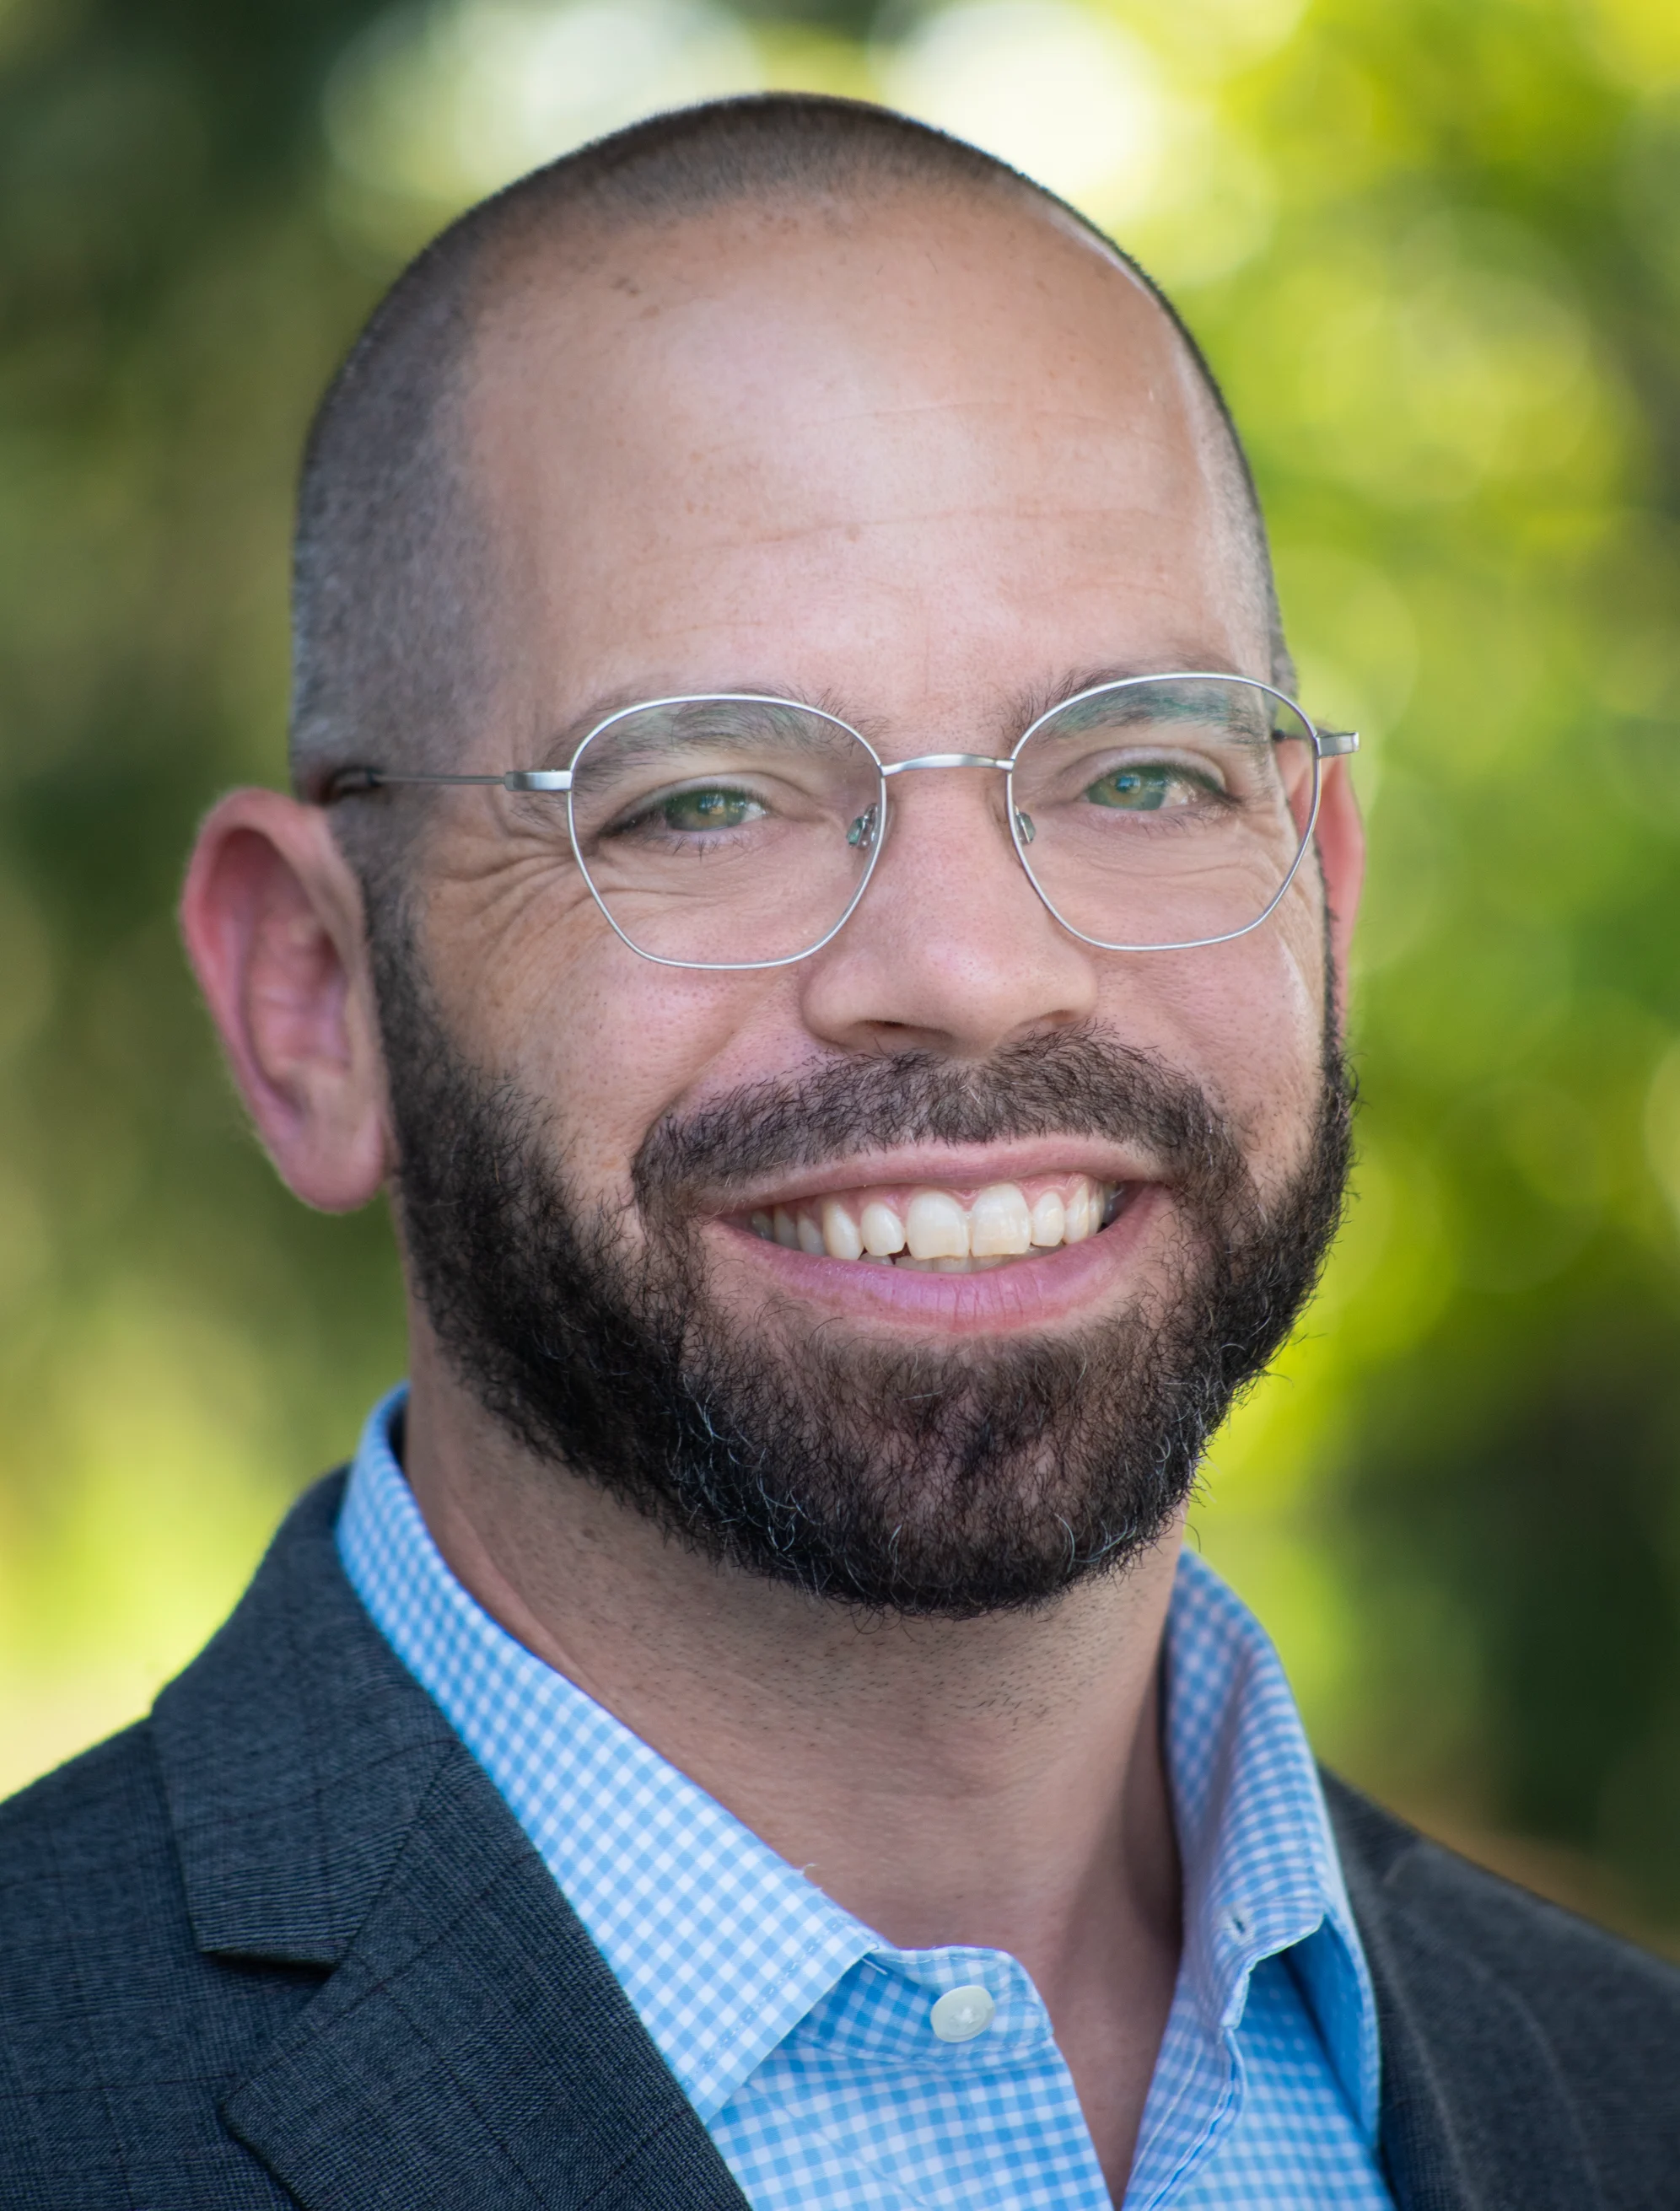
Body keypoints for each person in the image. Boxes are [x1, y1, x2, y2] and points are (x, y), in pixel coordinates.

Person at [2, 91, 1675, 2211]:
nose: (974, 973)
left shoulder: (1630, 2100)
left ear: (1321, 893)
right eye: (701, 800)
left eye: (1141, 775)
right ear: (312, 998)